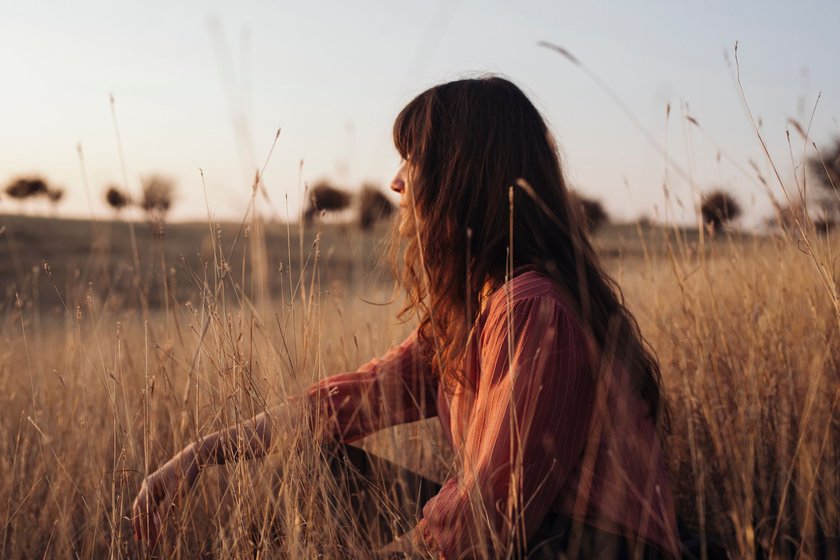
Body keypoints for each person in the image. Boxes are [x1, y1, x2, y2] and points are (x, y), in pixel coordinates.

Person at [132, 76, 680, 559]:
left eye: (413, 159)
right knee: (312, 468)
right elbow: (346, 401)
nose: (395, 181)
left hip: (582, 547)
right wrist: (201, 454)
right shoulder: (478, 309)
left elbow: (489, 521)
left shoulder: (533, 308)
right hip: (532, 536)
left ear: (462, 176)